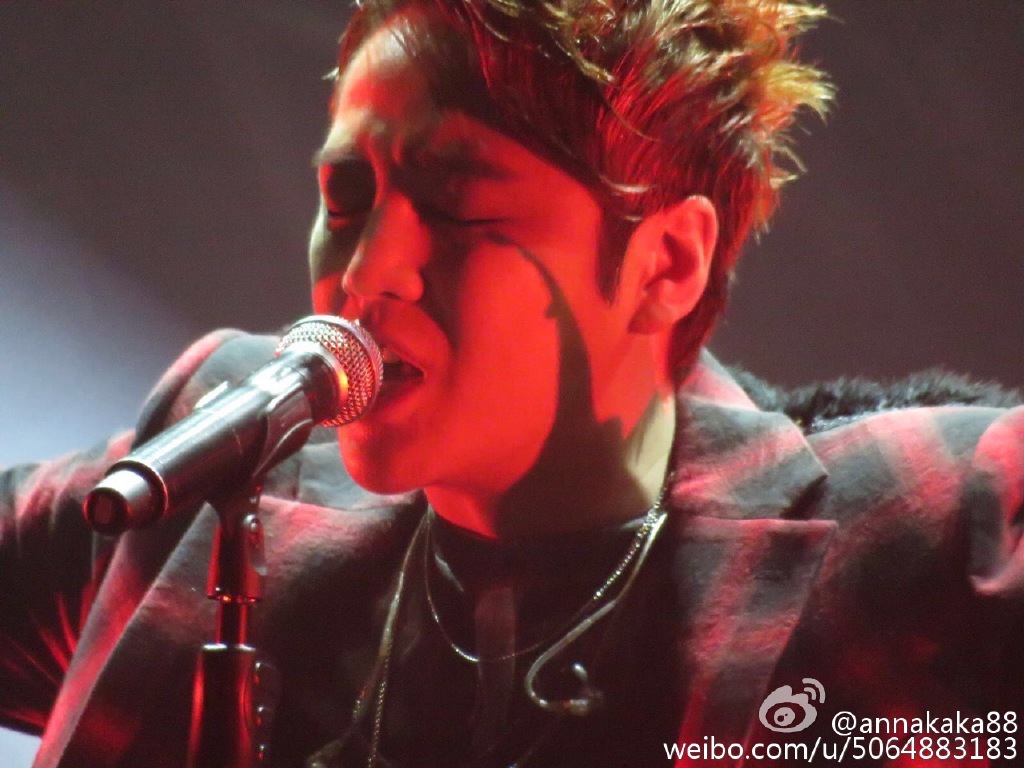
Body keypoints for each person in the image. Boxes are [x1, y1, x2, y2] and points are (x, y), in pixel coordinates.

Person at [1, 0, 1022, 766]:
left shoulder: (925, 535)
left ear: (666, 264)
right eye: (347, 195)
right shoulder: (227, 462)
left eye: (458, 205)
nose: (366, 273)